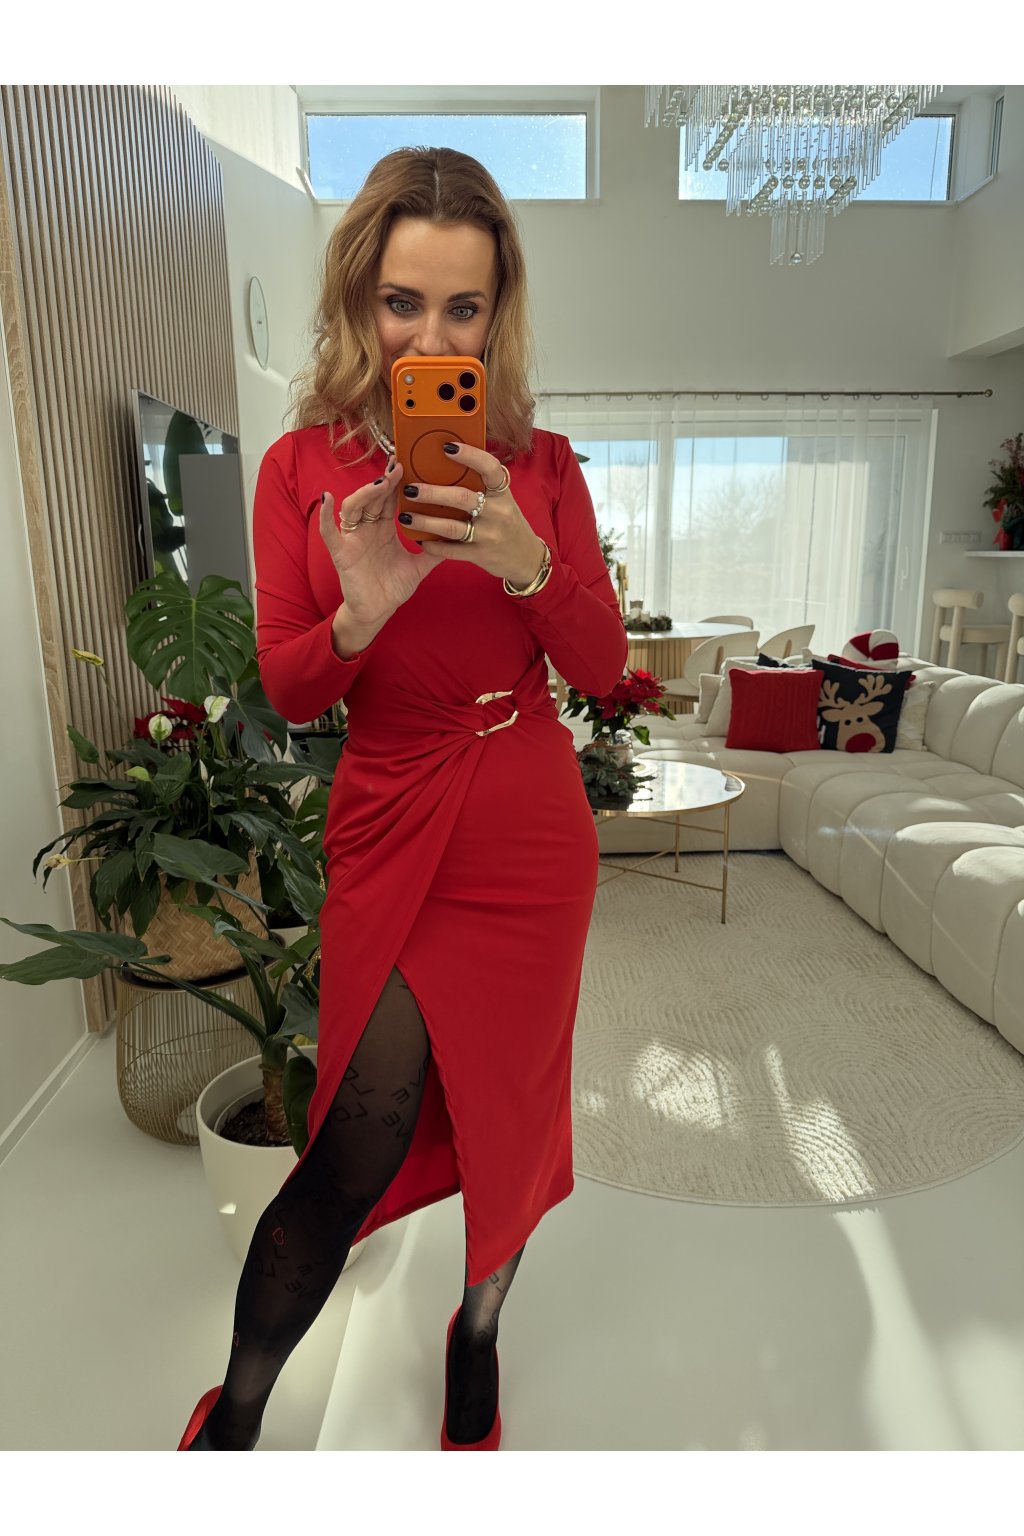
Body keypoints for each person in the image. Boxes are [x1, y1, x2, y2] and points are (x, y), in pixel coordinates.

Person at [177, 146, 627, 1452]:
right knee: (352, 1142)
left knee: (514, 1117)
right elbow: (288, 685)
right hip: (388, 814)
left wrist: (530, 563)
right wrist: (359, 617)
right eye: (402, 302)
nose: (431, 338)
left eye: (463, 307)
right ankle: (240, 1408)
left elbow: (604, 670)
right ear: (357, 300)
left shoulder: (544, 470)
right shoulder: (296, 470)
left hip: (529, 828)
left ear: (498, 313)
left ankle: (475, 1333)